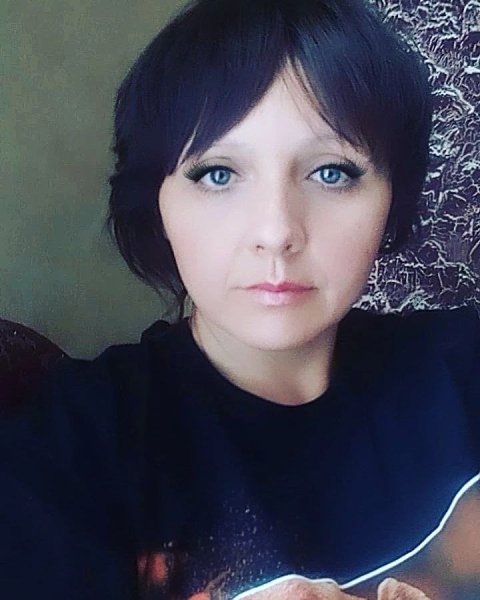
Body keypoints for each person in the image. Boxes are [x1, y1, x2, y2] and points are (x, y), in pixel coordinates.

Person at [0, 0, 478, 598]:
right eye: (218, 174)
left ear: (391, 199)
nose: (276, 231)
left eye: (332, 172)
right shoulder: (70, 454)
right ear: (157, 204)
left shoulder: (463, 366)